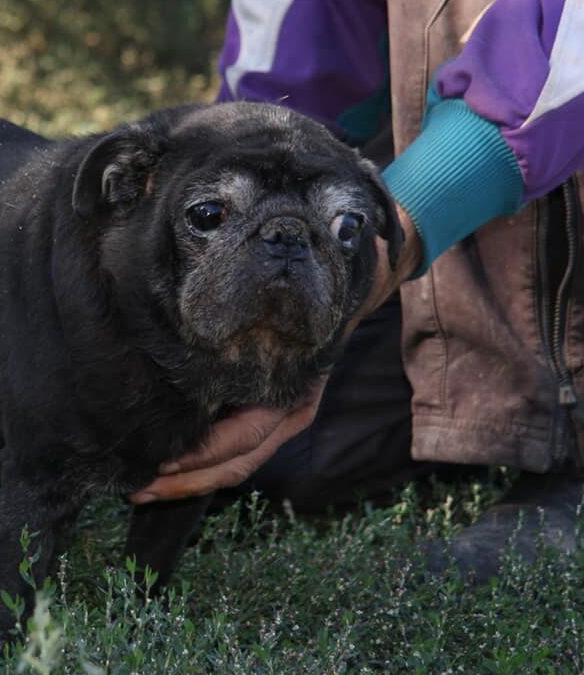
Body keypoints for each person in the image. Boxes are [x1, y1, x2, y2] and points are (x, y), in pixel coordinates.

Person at [131, 0, 584, 581]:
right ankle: (486, 413)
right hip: (470, 261)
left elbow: (562, 59)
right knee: (268, 453)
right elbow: (295, 55)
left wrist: (367, 264)